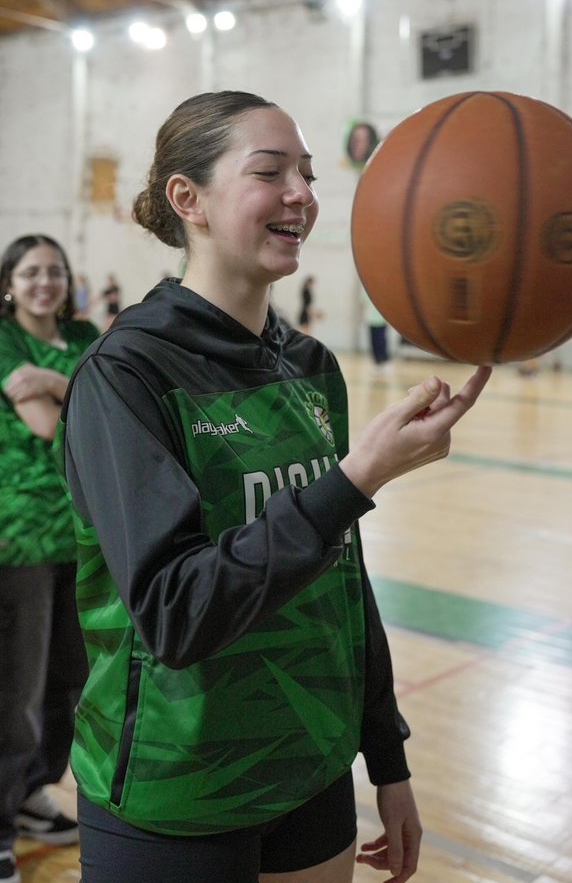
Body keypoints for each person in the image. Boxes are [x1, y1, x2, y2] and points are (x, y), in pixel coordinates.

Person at [58, 91, 491, 883]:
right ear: (187, 199)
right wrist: (354, 478)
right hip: (174, 785)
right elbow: (175, 613)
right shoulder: (126, 374)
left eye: (308, 174)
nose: (303, 193)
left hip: (310, 765)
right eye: (270, 172)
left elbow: (342, 582)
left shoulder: (310, 368)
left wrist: (385, 760)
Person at [0, 235, 99, 883]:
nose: (45, 282)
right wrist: (76, 394)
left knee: (70, 684)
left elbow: (107, 413)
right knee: (16, 694)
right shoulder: (5, 340)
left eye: (54, 271)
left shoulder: (87, 333)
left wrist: (61, 382)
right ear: (9, 284)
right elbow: (46, 424)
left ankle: (34, 794)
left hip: (85, 537)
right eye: (31, 272)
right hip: (22, 537)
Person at [365, 295, 390, 365]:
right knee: (374, 342)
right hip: (371, 320)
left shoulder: (382, 293)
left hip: (381, 320)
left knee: (381, 341)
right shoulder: (367, 291)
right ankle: (377, 360)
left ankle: (384, 359)